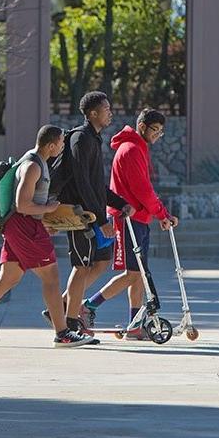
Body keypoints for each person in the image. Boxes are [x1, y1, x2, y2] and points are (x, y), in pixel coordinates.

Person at [0, 125, 96, 348]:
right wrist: (47, 209)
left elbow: (30, 204)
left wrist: (47, 218)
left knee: (8, 278)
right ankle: (63, 333)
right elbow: (22, 204)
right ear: (51, 145)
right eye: (61, 143)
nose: (63, 147)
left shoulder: (35, 162)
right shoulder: (32, 166)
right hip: (24, 227)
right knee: (52, 278)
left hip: (22, 226)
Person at [42, 92, 135, 334]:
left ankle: (65, 303)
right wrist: (102, 219)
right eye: (106, 108)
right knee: (81, 266)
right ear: (93, 113)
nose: (110, 112)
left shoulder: (93, 139)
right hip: (76, 213)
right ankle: (71, 320)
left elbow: (95, 184)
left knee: (102, 261)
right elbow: (82, 182)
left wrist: (119, 201)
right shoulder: (80, 139)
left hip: (90, 213)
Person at [83, 109, 179, 338]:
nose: (157, 135)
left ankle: (134, 325)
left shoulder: (138, 148)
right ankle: (88, 306)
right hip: (127, 220)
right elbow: (143, 191)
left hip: (139, 220)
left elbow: (145, 190)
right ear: (143, 126)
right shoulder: (132, 149)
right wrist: (162, 214)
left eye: (161, 132)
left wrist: (159, 214)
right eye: (155, 130)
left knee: (138, 273)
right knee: (134, 274)